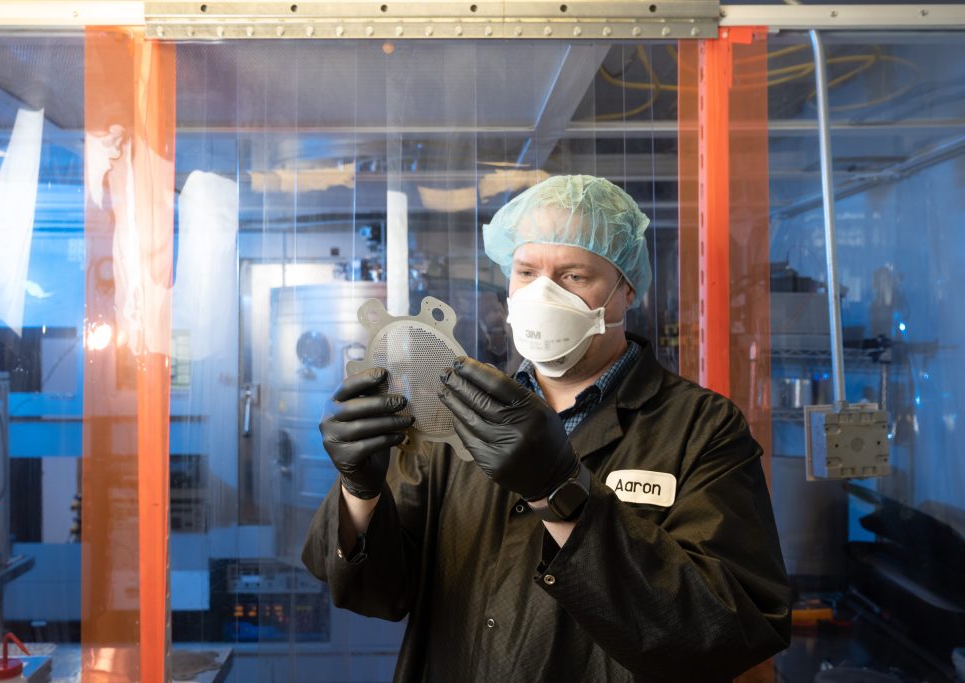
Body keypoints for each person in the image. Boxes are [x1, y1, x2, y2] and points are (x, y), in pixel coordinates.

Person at [303, 175, 791, 682]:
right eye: (527, 271)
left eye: (574, 276)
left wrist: (561, 495)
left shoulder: (701, 428)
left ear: (625, 291)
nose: (543, 294)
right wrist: (360, 495)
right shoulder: (459, 411)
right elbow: (379, 593)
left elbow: (726, 633)